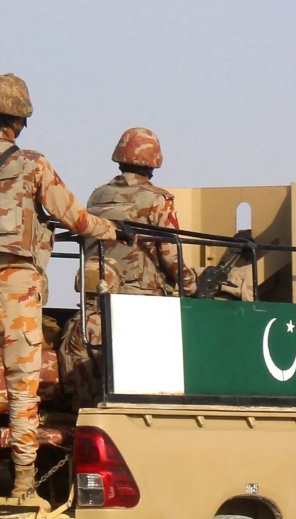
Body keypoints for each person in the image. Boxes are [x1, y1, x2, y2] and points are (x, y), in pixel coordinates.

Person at [0, 73, 119, 516]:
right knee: (23, 392)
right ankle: (22, 487)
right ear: (22, 122)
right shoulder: (33, 164)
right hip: (18, 291)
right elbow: (74, 216)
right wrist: (113, 230)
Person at [59, 127, 196, 409]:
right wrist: (193, 286)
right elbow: (171, 258)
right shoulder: (159, 200)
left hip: (95, 301)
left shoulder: (98, 197)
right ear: (154, 161)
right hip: (141, 305)